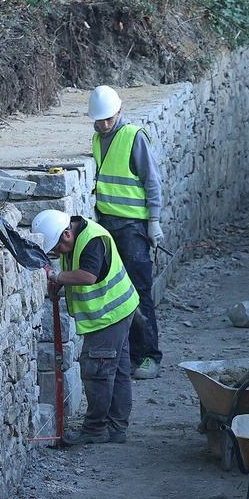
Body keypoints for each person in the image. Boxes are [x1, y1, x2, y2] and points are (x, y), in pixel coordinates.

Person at [32, 206, 139, 445]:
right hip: (119, 309)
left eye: (57, 248)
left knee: (97, 372)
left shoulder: (92, 241)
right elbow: (76, 267)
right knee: (118, 370)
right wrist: (62, 280)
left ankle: (95, 429)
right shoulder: (78, 235)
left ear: (67, 234)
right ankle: (116, 428)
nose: (58, 253)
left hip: (109, 315)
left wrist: (56, 277)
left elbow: (88, 276)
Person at [88, 85, 166, 381]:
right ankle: (128, 354)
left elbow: (152, 182)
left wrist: (154, 222)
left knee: (139, 292)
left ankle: (149, 356)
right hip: (108, 226)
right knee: (117, 293)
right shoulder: (98, 139)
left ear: (119, 112)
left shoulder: (134, 137)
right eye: (99, 120)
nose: (104, 124)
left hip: (133, 227)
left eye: (108, 118)